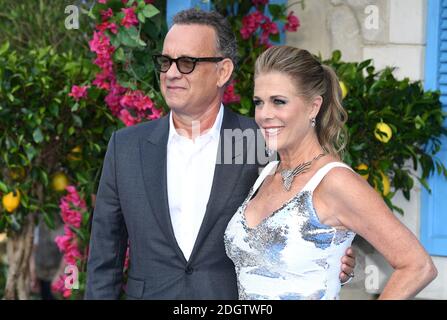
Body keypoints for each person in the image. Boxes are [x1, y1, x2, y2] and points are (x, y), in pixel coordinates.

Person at [85, 9, 355, 300]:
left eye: (186, 62)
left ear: (222, 71)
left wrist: (331, 255)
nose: (172, 73)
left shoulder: (261, 141)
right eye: (166, 62)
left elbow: (305, 217)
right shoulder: (126, 147)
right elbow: (104, 258)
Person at [224, 45, 438, 300]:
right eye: (259, 102)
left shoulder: (335, 181)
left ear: (313, 107)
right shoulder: (267, 173)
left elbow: (418, 266)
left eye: (279, 102)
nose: (265, 114)